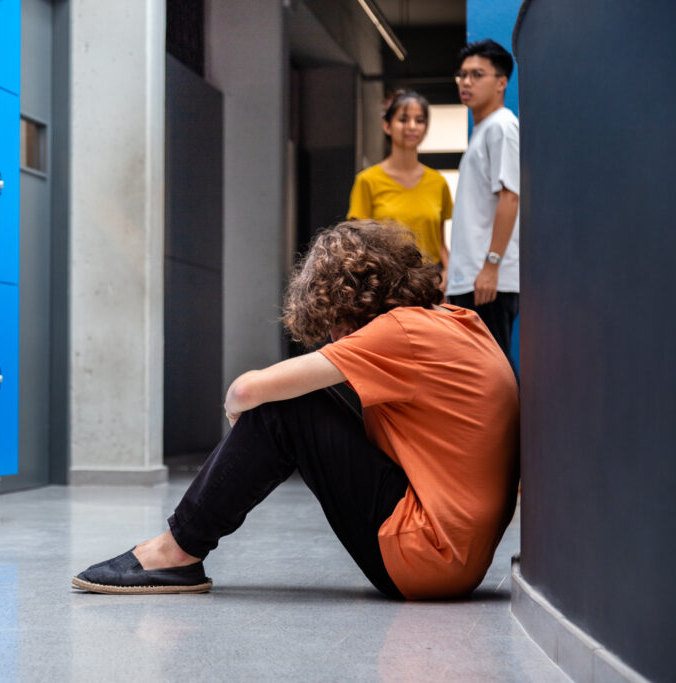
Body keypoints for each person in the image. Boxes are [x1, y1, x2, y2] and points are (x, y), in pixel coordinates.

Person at [72, 220, 520, 600]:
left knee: (284, 409)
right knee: (303, 400)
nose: (335, 336)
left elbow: (245, 392)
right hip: (462, 557)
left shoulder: (397, 332)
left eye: (332, 323)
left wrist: (245, 419)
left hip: (426, 557)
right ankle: (179, 546)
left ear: (353, 303)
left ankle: (176, 551)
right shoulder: (456, 322)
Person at [446, 39, 520, 357]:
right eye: (462, 75)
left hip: (488, 281)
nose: (466, 82)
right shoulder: (483, 131)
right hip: (472, 279)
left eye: (477, 74)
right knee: (479, 375)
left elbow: (511, 197)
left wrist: (491, 267)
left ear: (501, 82)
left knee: (493, 374)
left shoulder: (502, 127)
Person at [348, 90, 453, 287]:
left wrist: (447, 273)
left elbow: (440, 244)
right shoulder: (367, 181)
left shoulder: (438, 182)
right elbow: (356, 245)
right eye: (403, 119)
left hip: (429, 285)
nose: (412, 126)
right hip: (384, 286)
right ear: (387, 125)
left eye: (420, 120)